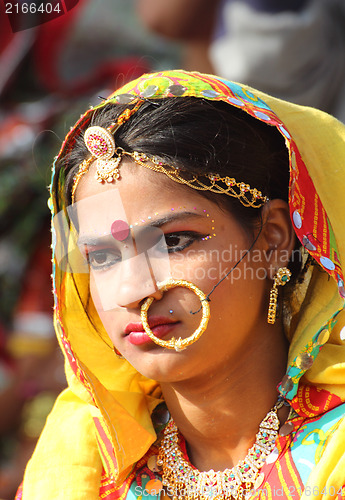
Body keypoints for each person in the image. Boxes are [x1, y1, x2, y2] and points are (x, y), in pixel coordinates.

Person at [16, 70, 345, 499]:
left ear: (272, 237)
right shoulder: (81, 470)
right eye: (102, 257)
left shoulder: (332, 457)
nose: (132, 291)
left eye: (173, 241)